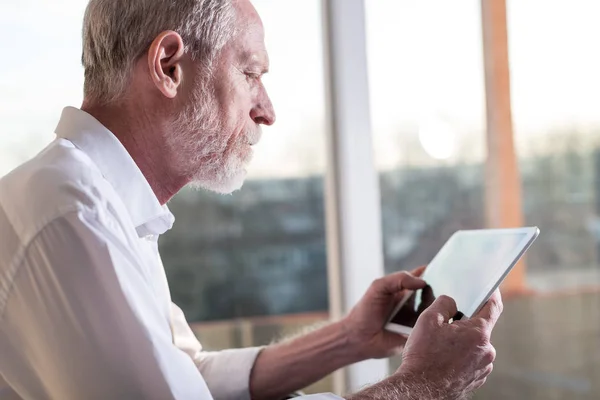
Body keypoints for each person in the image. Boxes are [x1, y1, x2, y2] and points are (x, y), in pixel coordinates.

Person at [0, 0, 503, 399]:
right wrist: (423, 384)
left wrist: (351, 337)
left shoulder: (99, 204)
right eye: (250, 74)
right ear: (169, 66)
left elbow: (188, 376)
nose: (267, 111)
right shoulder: (74, 213)